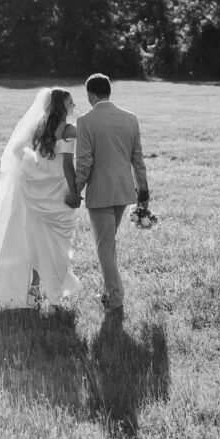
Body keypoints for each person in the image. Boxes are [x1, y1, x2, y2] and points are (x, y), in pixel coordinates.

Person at [0, 87, 82, 311]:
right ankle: (54, 300)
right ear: (61, 105)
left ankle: (35, 289)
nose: (74, 105)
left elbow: (18, 150)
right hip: (57, 194)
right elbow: (67, 164)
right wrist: (75, 192)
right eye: (70, 101)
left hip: (37, 192)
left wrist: (35, 172)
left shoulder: (38, 127)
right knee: (56, 246)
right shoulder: (67, 129)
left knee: (37, 241)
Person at [68, 73, 149, 319]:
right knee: (108, 243)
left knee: (105, 247)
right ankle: (110, 293)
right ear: (108, 91)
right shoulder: (130, 118)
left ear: (91, 95)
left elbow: (84, 161)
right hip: (123, 191)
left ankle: (115, 299)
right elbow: (138, 159)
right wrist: (143, 191)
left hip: (101, 192)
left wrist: (76, 190)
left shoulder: (86, 121)